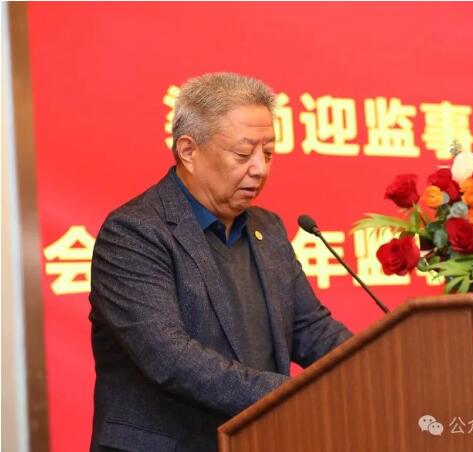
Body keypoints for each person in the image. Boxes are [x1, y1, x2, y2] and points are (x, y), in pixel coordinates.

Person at [88, 72, 353, 451]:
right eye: (243, 155)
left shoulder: (268, 228)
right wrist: (295, 394)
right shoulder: (135, 232)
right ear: (188, 150)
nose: (260, 168)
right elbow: (170, 358)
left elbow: (310, 329)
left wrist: (375, 365)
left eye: (268, 153)